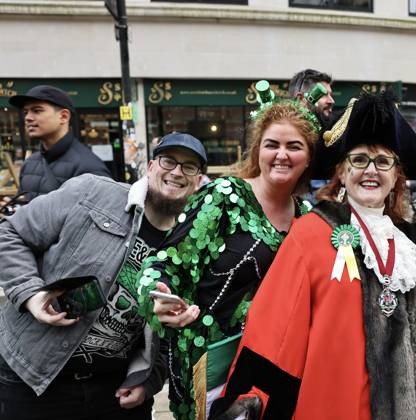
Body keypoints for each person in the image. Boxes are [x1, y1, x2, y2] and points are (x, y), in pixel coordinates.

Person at [212, 92, 416, 420]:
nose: (371, 171)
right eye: (359, 160)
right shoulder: (311, 233)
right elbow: (276, 329)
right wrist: (251, 400)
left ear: (396, 174)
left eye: (383, 161)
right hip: (334, 405)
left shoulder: (412, 244)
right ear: (341, 171)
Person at [0, 132, 206, 420]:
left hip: (113, 391)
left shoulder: (193, 248)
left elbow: (172, 335)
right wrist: (31, 294)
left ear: (198, 181)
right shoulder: (92, 192)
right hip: (34, 376)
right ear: (150, 167)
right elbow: (10, 233)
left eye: (189, 167)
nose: (176, 172)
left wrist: (149, 382)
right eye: (168, 161)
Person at [135, 100, 319, 420]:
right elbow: (167, 264)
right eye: (271, 144)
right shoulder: (224, 195)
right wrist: (159, 294)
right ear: (257, 151)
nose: (281, 154)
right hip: (212, 365)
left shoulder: (307, 217)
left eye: (294, 146)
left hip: (271, 368)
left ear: (309, 157)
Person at [8, 85, 111, 200]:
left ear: (64, 116)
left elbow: (98, 216)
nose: (28, 117)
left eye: (37, 110)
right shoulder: (29, 164)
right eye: (26, 112)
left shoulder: (90, 168)